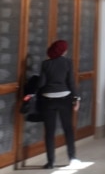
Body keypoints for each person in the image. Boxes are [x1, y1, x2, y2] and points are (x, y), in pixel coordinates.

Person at [37, 40, 80, 169]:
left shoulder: (46, 64)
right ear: (63, 51)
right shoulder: (67, 62)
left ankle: (50, 162)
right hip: (64, 99)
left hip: (48, 99)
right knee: (68, 129)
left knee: (49, 132)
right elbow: (71, 82)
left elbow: (41, 84)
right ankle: (72, 158)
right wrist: (76, 98)